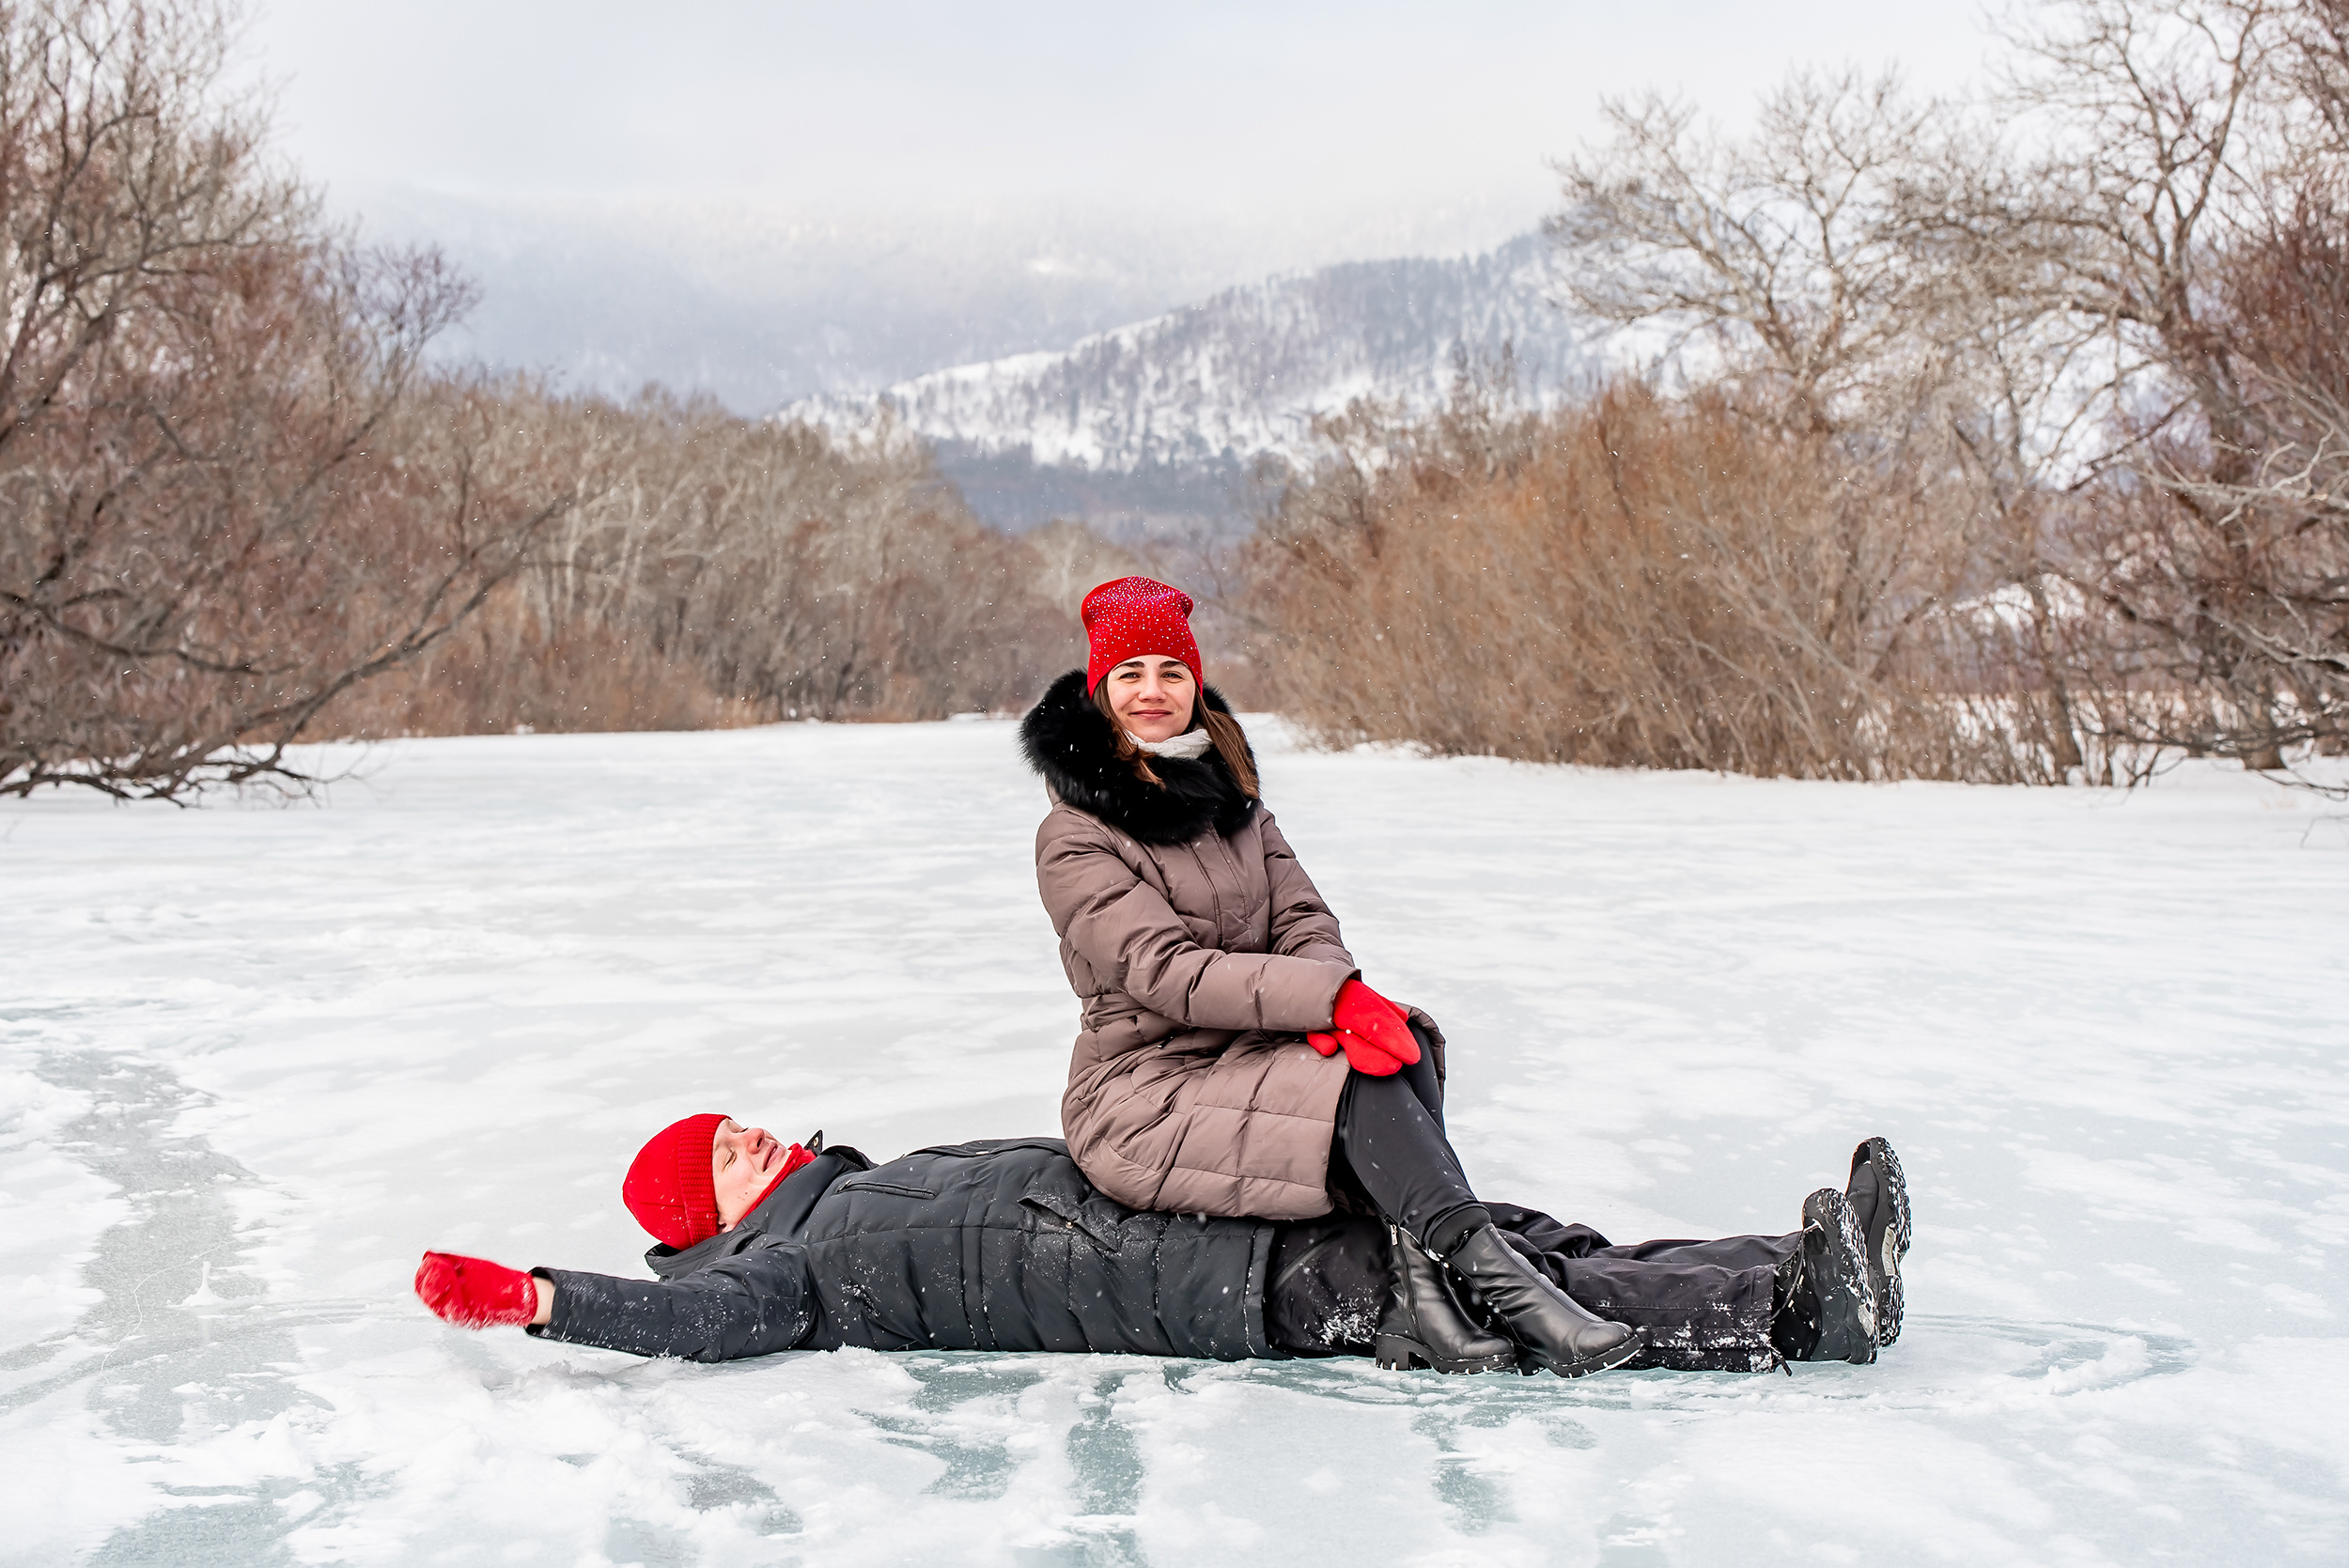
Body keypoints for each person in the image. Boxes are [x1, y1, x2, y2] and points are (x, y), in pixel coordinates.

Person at [1017, 576, 1901, 1377]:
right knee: (1475, 1240)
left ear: (1196, 684)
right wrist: (1324, 1002)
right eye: (1130, 672)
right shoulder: (1076, 835)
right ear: (1100, 690)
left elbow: (1305, 922)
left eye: (1171, 670)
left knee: (1440, 1134)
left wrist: (1336, 999)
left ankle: (1793, 1257)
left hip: (1251, 1066)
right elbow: (1165, 973)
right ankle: (1788, 1305)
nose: (1153, 691)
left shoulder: (1233, 803)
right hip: (1150, 1095)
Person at [412, 1111, 1912, 1376]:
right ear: (709, 1218)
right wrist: (545, 1298)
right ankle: (1795, 1318)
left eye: (737, 1124)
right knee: (1506, 1306)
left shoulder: (852, 1187)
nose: (752, 1140)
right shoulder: (787, 1273)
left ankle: (1785, 1261)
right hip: (1207, 1289)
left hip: (1211, 1209)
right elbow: (695, 1329)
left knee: (1503, 1231)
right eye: (721, 1154)